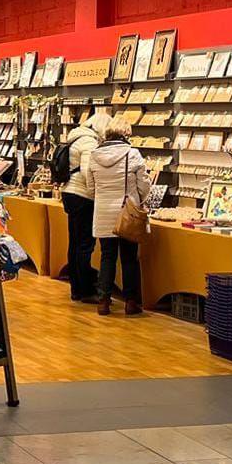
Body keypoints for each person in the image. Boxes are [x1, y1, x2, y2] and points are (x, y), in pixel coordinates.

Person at [89, 114, 151, 315]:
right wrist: (138, 200)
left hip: (103, 213)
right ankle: (131, 302)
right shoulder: (132, 154)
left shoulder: (94, 155)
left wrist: (103, 198)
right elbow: (144, 184)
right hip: (127, 213)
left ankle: (103, 301)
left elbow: (91, 187)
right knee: (129, 258)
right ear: (126, 133)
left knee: (107, 257)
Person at [60, 110, 110, 302]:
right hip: (82, 195)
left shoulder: (76, 137)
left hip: (70, 192)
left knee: (74, 243)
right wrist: (94, 193)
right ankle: (85, 290)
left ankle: (76, 287)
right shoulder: (90, 142)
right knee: (85, 245)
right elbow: (87, 171)